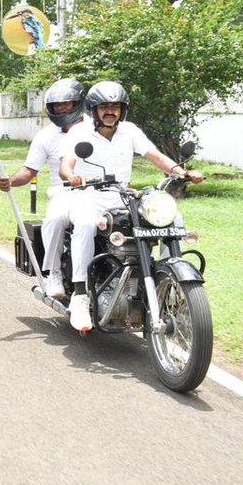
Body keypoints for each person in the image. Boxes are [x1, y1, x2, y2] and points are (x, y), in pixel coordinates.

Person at [59, 81, 205, 332]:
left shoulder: (130, 131)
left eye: (115, 106)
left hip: (122, 196)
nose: (110, 111)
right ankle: (81, 295)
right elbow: (66, 165)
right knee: (84, 223)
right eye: (104, 106)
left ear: (122, 110)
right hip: (87, 196)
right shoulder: (80, 133)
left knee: (173, 217)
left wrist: (181, 172)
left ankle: (170, 286)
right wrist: (71, 175)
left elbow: (155, 156)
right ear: (93, 109)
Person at [0, 78, 88, 299]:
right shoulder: (46, 136)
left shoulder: (96, 128)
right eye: (58, 105)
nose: (62, 108)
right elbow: (29, 171)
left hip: (101, 192)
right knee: (54, 221)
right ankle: (54, 273)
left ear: (78, 103)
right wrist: (11, 180)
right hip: (65, 192)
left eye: (67, 103)